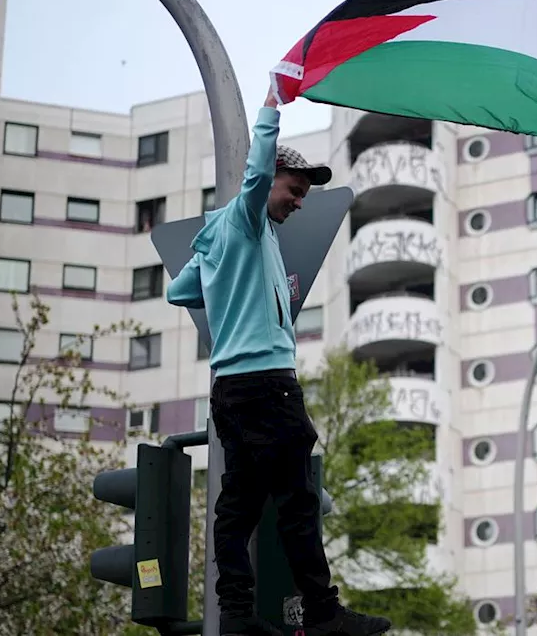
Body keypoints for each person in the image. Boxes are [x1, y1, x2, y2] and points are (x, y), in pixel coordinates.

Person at [166, 88, 392, 636]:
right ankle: (322, 613)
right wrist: (272, 103)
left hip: (229, 389)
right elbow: (257, 166)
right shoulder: (244, 221)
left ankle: (237, 615)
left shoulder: (226, 237)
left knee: (236, 507)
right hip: (267, 383)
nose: (298, 202)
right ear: (266, 182)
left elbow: (179, 292)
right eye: (294, 191)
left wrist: (228, 292)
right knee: (297, 501)